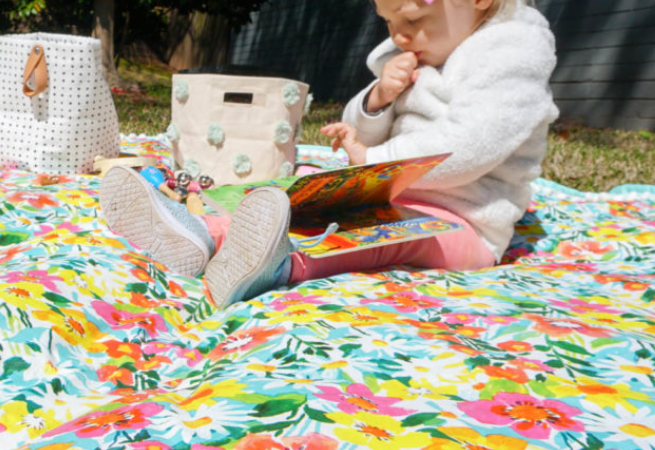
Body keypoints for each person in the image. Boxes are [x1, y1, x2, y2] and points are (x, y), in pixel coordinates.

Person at [101, 0, 559, 308]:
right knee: (304, 197)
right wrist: (378, 98)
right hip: (392, 184)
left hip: (467, 223)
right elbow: (362, 132)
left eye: (413, 21)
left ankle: (279, 264)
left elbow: (469, 147)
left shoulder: (512, 55)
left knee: (383, 234)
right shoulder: (425, 49)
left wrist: (374, 162)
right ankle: (202, 230)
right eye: (389, 24)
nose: (399, 36)